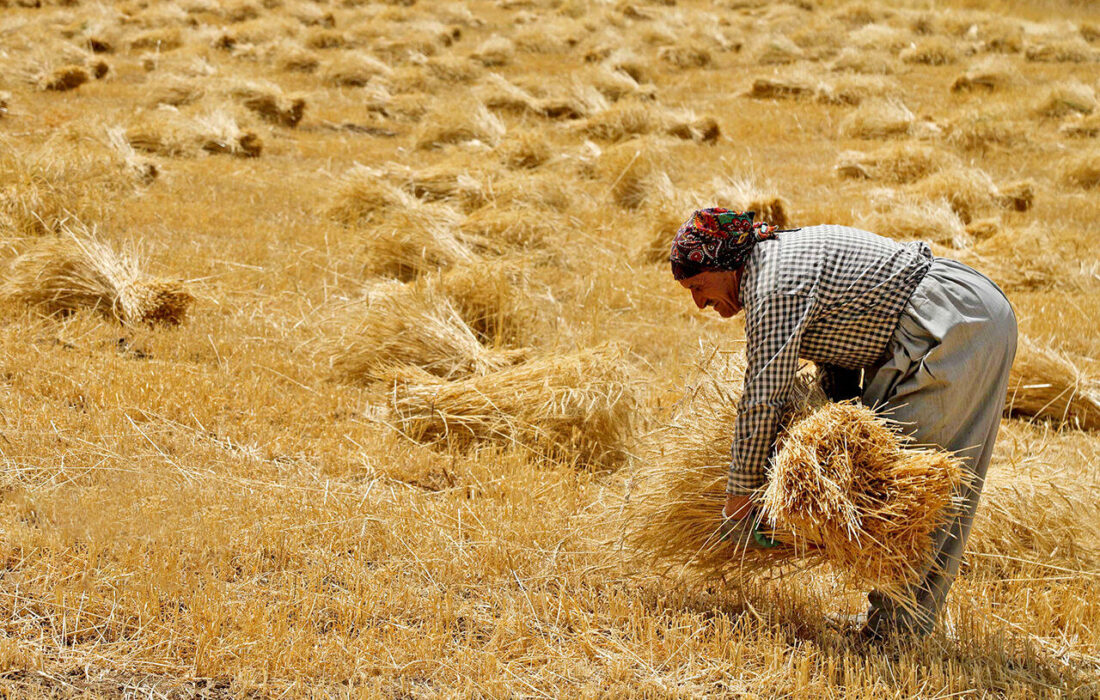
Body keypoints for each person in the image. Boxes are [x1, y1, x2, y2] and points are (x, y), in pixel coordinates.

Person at [669, 207, 1017, 640]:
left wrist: (739, 499)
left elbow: (763, 397)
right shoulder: (772, 263)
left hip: (954, 325)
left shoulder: (773, 283)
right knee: (893, 485)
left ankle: (897, 634)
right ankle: (892, 622)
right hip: (951, 316)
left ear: (727, 264)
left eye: (699, 286)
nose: (699, 303)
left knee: (907, 491)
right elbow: (838, 343)